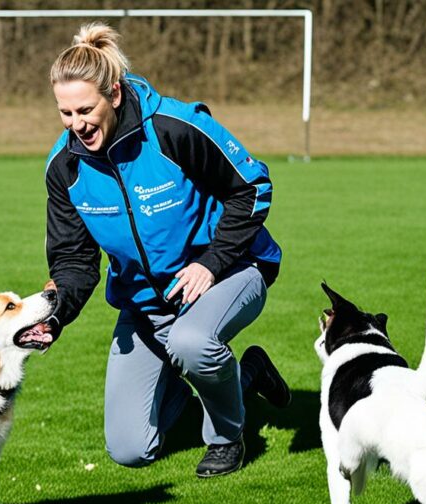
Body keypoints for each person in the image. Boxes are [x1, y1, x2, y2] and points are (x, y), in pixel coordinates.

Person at [40, 23, 290, 478]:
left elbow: (253, 187)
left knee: (192, 342)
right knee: (130, 449)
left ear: (114, 94)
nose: (77, 125)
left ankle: (227, 435)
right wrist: (55, 315)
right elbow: (74, 260)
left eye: (85, 109)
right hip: (148, 304)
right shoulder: (65, 168)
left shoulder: (174, 128)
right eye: (65, 113)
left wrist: (211, 264)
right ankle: (245, 375)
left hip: (234, 268)